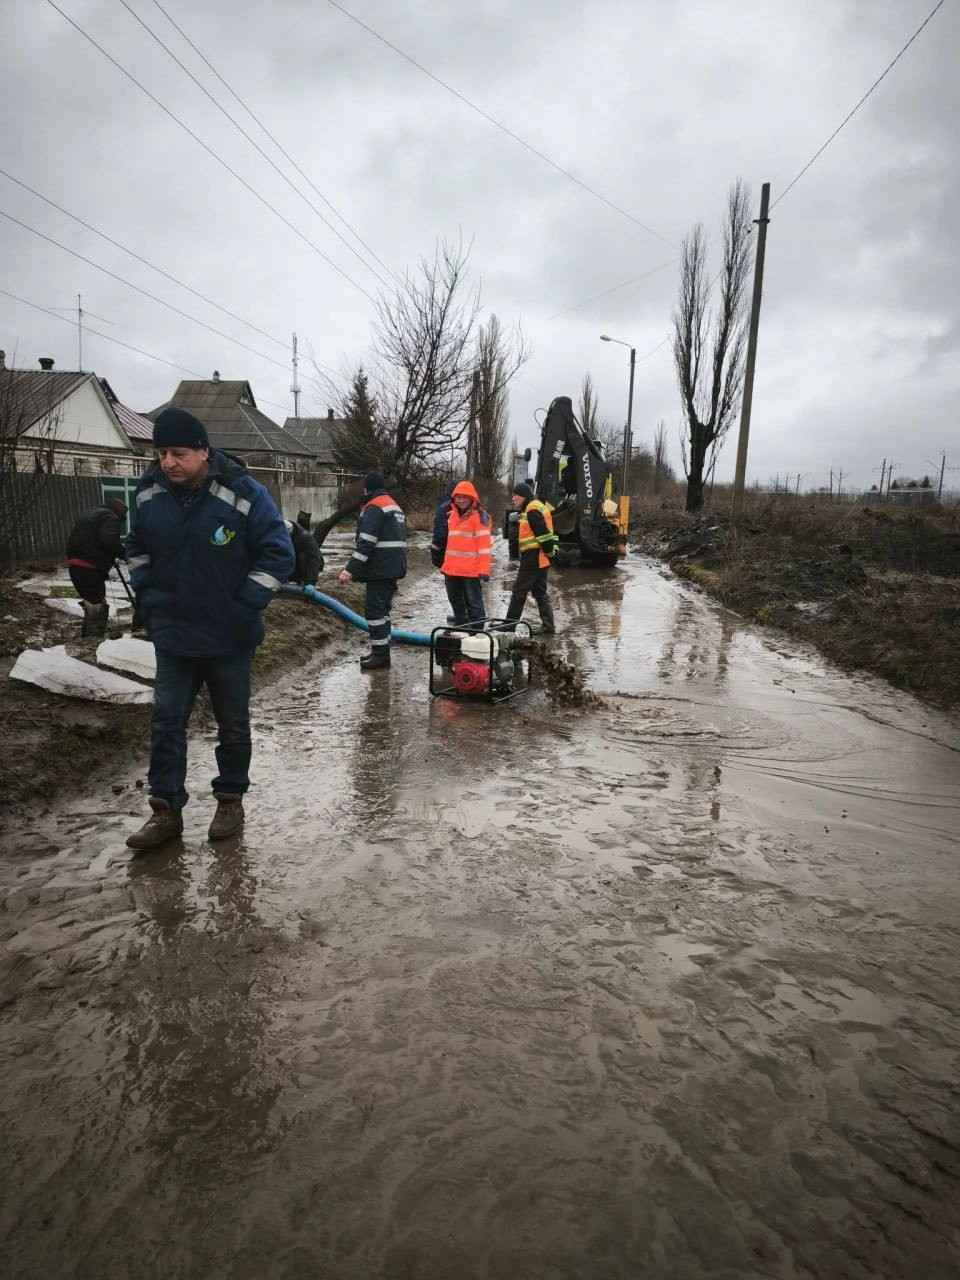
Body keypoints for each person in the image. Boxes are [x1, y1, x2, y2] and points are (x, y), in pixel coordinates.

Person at [124, 407, 294, 850]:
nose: (167, 463)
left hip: (229, 637)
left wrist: (243, 607)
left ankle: (229, 800)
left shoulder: (244, 492)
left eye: (178, 453)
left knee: (232, 725)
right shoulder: (147, 494)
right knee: (165, 723)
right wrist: (149, 598)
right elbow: (136, 548)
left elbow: (278, 555)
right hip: (174, 634)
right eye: (162, 453)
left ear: (203, 451)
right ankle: (165, 811)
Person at [338, 471, 406, 671]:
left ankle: (380, 656)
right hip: (392, 567)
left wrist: (349, 570)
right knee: (382, 613)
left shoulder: (375, 507)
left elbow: (366, 542)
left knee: (375, 612)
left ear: (367, 488)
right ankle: (381, 652)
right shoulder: (392, 504)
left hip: (380, 568)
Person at [65, 497, 127, 636]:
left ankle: (89, 639)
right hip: (90, 567)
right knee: (97, 606)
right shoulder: (110, 517)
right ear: (119, 511)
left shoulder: (90, 514)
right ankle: (93, 642)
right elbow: (109, 541)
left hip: (76, 565)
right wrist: (125, 554)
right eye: (123, 516)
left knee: (93, 603)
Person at [435, 480, 492, 626]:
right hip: (452, 570)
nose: (460, 500)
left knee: (475, 605)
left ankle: (478, 635)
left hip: (470, 571)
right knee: (456, 603)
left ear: (472, 498)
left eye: (464, 497)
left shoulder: (479, 517)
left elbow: (484, 547)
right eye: (458, 497)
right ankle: (461, 629)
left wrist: (484, 570)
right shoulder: (451, 516)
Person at [505, 481, 558, 634]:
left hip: (533, 556)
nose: (513, 498)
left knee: (519, 591)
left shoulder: (532, 509)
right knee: (540, 592)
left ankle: (508, 627)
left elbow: (544, 534)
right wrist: (549, 555)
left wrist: (548, 552)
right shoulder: (534, 507)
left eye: (516, 495)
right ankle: (549, 627)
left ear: (523, 496)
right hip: (540, 556)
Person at [284, 518, 323, 586]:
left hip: (307, 564)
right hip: (293, 562)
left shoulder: (305, 537)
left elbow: (314, 559)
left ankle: (303, 581)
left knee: (303, 556)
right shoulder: (277, 534)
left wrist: (311, 581)